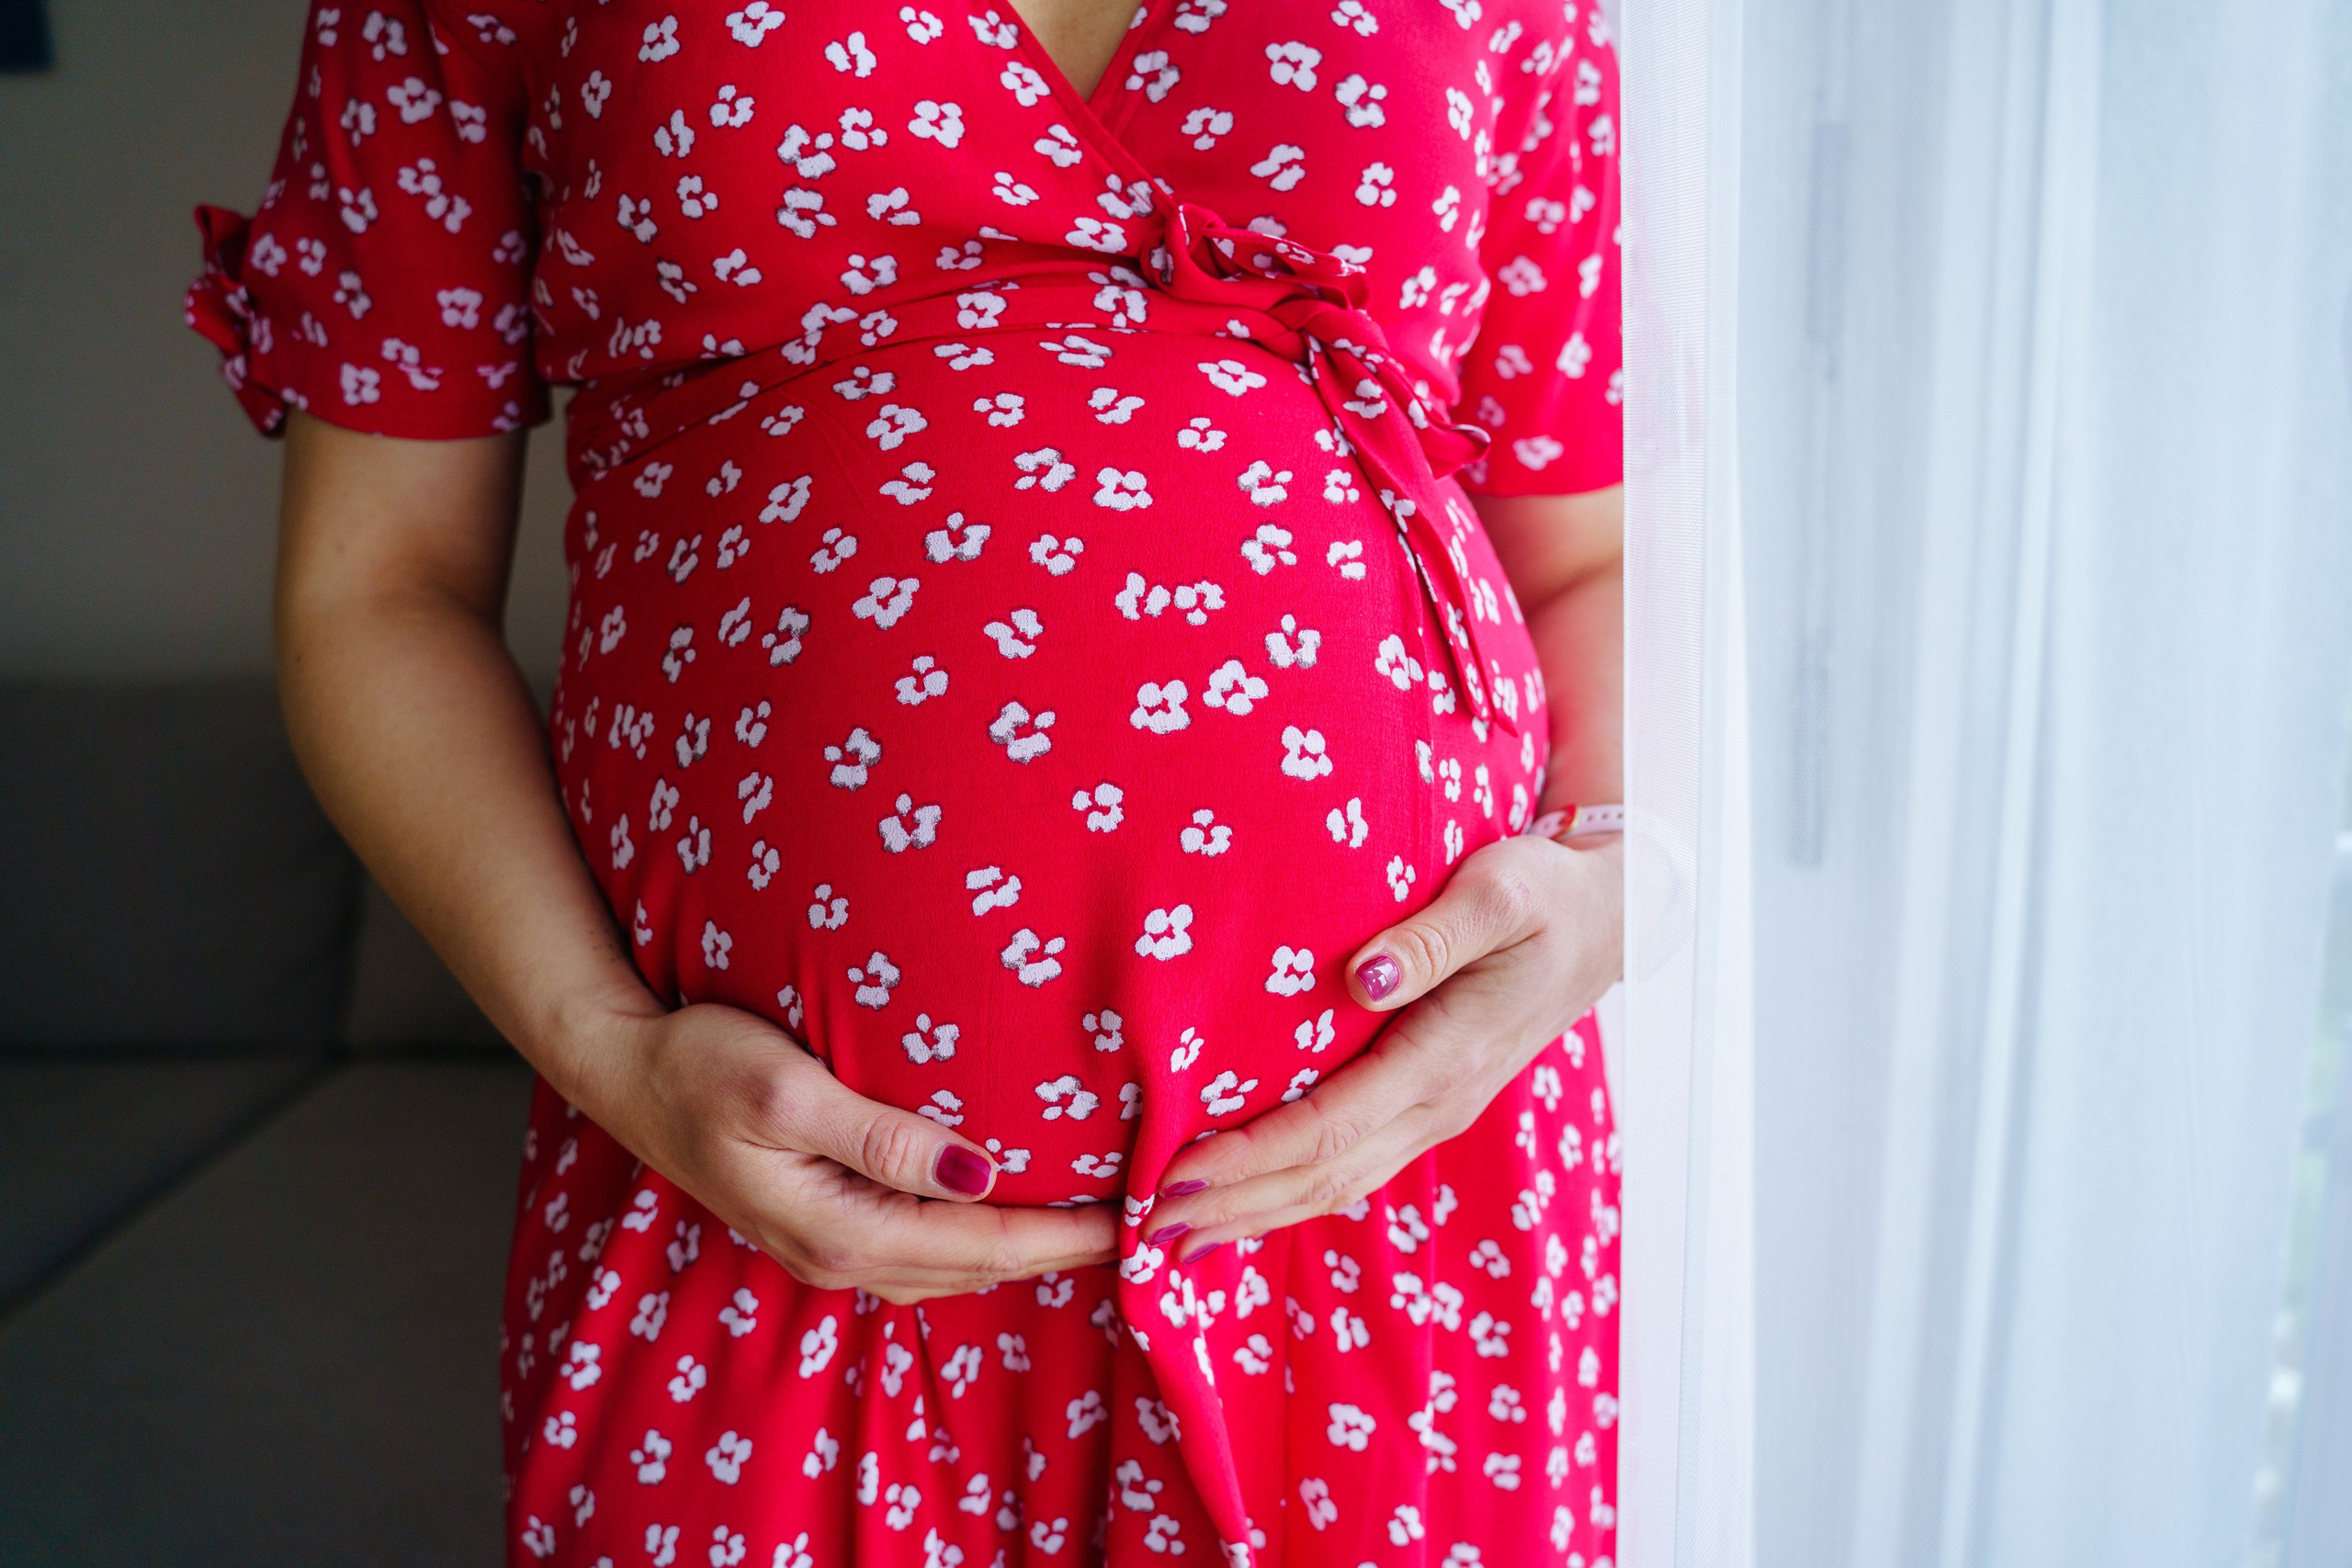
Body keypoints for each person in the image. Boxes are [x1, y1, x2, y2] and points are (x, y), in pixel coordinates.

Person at [187, 0, 1626, 1562]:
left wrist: (1613, 875)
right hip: (753, 1215)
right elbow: (374, 588)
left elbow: (1586, 556)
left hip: (1383, 1196)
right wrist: (607, 1056)